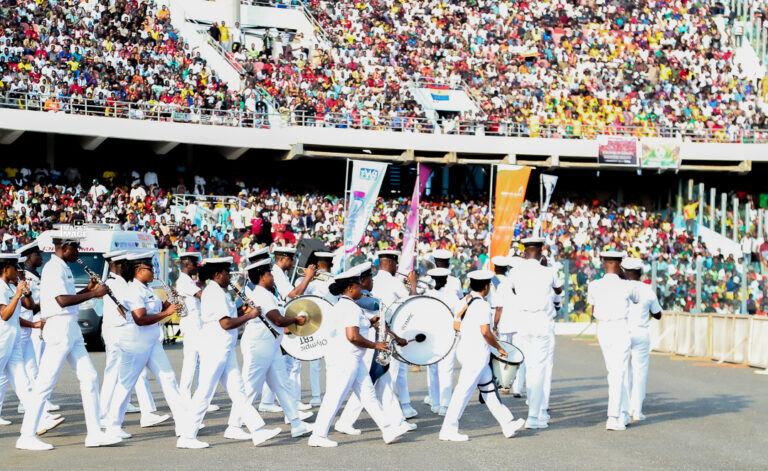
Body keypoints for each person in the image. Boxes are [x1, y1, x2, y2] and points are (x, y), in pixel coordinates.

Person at [17, 236, 120, 450]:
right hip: (59, 327)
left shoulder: (63, 267)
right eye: (75, 248)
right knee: (45, 383)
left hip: (69, 326)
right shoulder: (54, 268)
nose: (78, 252)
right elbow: (61, 300)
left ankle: (94, 434)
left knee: (90, 377)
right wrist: (95, 293)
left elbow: (68, 297)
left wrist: (88, 290)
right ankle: (26, 435)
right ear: (64, 247)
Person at [177, 258, 282, 449]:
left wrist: (243, 310)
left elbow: (230, 317)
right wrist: (249, 315)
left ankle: (257, 431)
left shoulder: (219, 292)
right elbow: (225, 323)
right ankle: (187, 435)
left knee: (238, 391)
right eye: (227, 273)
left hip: (224, 347)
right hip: (215, 346)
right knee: (205, 392)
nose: (229, 277)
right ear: (217, 275)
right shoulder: (214, 293)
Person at [308, 267, 408, 447]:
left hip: (351, 358)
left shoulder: (345, 305)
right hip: (345, 359)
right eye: (358, 286)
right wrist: (376, 345)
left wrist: (370, 322)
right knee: (334, 397)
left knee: (368, 396)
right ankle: (318, 435)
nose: (361, 289)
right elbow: (352, 336)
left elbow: (352, 329)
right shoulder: (350, 308)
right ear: (350, 288)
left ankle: (388, 429)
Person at [103, 252, 188, 441]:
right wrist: (167, 312)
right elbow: (140, 319)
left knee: (169, 378)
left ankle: (184, 424)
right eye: (150, 268)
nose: (154, 271)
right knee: (125, 384)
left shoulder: (146, 288)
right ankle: (112, 427)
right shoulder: (133, 290)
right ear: (138, 270)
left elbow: (157, 310)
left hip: (151, 341)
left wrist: (170, 302)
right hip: (135, 342)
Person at [439, 269, 525, 441]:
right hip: (476, 354)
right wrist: (499, 348)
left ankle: (507, 424)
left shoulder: (465, 301)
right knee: (463, 392)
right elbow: (485, 332)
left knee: (489, 390)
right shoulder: (482, 305)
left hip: (467, 350)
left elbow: (456, 325)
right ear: (486, 287)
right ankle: (448, 429)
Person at [234, 259, 313, 439]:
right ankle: (234, 425)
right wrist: (296, 320)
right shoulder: (262, 294)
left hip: (270, 345)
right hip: (259, 345)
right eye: (269, 274)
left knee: (282, 385)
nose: (272, 277)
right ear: (262, 277)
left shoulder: (267, 294)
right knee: (250, 387)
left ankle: (296, 424)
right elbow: (277, 319)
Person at [333, 263, 415, 435]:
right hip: (367, 348)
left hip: (373, 346)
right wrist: (393, 338)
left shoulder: (368, 298)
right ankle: (394, 423)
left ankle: (395, 422)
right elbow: (373, 325)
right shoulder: (362, 301)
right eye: (370, 278)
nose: (373, 281)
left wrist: (395, 338)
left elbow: (380, 324)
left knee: (377, 384)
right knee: (371, 386)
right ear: (362, 280)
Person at [98, 251, 166, 432]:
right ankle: (103, 415)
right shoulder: (116, 283)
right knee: (115, 374)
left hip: (123, 330)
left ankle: (146, 412)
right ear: (118, 265)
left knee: (136, 374)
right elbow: (126, 311)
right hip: (118, 331)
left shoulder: (119, 282)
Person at [0, 254, 63, 431]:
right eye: (15, 269)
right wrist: (17, 294)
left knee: (23, 383)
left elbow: (30, 306)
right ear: (5, 269)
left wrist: (26, 292)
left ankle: (40, 420)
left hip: (12, 339)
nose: (18, 272)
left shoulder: (10, 287)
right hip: (2, 339)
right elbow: (5, 315)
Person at [507, 238, 562, 430]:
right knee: (540, 369)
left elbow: (513, 290)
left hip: (523, 321)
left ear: (524, 252)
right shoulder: (548, 271)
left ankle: (537, 410)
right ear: (541, 251)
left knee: (530, 367)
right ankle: (536, 414)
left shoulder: (515, 271)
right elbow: (558, 289)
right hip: (540, 321)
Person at [588, 251, 640, 431]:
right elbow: (637, 299)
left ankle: (622, 412)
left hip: (604, 328)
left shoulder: (594, 285)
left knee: (614, 372)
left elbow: (593, 307)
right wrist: (625, 276)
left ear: (604, 264)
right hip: (619, 328)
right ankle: (613, 416)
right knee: (618, 373)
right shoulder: (627, 285)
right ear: (620, 265)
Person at [259, 247, 315, 413]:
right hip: (283, 321)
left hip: (283, 319)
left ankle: (269, 401)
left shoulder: (279, 274)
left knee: (281, 365)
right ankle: (292, 402)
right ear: (283, 258)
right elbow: (293, 294)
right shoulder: (276, 274)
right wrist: (307, 277)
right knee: (290, 365)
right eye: (291, 259)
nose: (293, 262)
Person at [371, 250, 418, 418]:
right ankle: (398, 410)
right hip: (391, 331)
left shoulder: (372, 280)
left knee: (384, 372)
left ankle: (404, 406)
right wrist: (413, 284)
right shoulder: (393, 282)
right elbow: (412, 302)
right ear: (391, 263)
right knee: (394, 372)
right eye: (395, 264)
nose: (396, 267)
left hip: (374, 330)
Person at [15, 241, 59, 414]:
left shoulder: (34, 275)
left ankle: (36, 400)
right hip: (30, 322)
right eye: (37, 255)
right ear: (28, 258)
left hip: (38, 322)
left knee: (35, 366)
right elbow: (29, 306)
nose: (41, 257)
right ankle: (27, 402)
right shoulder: (24, 277)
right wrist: (44, 303)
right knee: (31, 366)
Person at [621, 257, 662, 422]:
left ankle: (624, 408)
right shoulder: (647, 289)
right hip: (641, 332)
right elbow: (658, 314)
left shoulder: (620, 288)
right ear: (640, 273)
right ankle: (637, 410)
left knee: (624, 372)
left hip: (623, 331)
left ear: (624, 272)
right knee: (640, 372)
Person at [294, 251, 335, 406]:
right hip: (330, 324)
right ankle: (328, 396)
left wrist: (308, 277)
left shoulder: (312, 282)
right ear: (331, 264)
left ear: (317, 265)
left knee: (315, 362)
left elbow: (298, 293)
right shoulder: (336, 279)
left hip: (316, 324)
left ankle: (317, 396)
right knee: (330, 363)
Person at [423, 267, 461, 415]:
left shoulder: (428, 295)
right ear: (446, 280)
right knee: (447, 369)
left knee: (433, 369)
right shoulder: (452, 296)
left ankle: (435, 401)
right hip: (448, 335)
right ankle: (445, 406)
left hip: (431, 336)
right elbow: (458, 316)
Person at [175, 252, 210, 408]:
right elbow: (202, 295)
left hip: (196, 323)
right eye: (195, 264)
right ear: (187, 265)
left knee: (200, 361)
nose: (197, 267)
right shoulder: (184, 281)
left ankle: (199, 398)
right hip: (192, 324)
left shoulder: (188, 280)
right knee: (191, 361)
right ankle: (185, 397)